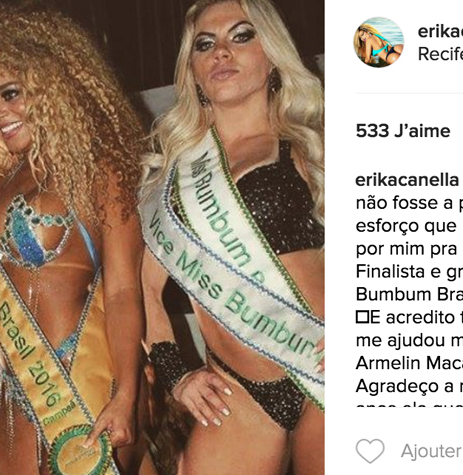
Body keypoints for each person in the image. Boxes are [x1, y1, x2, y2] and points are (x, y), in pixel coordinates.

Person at [0, 4, 155, 475]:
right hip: (17, 392)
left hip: (86, 383)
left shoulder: (101, 170)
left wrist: (126, 394)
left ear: (52, 84)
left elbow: (122, 290)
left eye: (10, 94)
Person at [140, 0, 325, 474]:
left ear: (273, 56)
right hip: (236, 391)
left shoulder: (314, 145)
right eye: (205, 44)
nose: (221, 51)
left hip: (326, 370)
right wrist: (177, 376)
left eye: (241, 36)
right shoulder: (171, 176)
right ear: (193, 71)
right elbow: (146, 293)